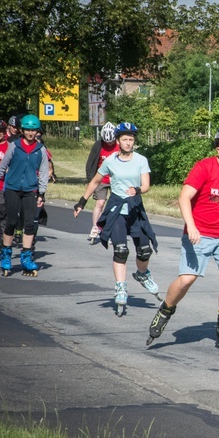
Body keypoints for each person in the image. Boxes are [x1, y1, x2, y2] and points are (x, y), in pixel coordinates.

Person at [146, 126, 219, 352]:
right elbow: (184, 198)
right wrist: (191, 226)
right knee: (187, 280)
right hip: (199, 234)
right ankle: (165, 309)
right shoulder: (204, 167)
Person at [73, 122, 159, 317]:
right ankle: (121, 287)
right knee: (121, 250)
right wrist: (81, 202)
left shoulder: (141, 160)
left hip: (135, 207)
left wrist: (137, 189)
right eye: (125, 139)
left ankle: (143, 274)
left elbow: (146, 185)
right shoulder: (110, 161)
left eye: (131, 139)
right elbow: (95, 182)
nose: (128, 143)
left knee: (144, 250)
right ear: (118, 141)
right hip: (117, 209)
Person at [0, 114, 50, 277]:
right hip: (12, 188)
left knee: (29, 224)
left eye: (33, 130)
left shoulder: (40, 149)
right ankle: (6, 254)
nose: (30, 133)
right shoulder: (14, 146)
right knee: (11, 222)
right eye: (27, 130)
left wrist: (41, 192)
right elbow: (3, 166)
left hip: (31, 190)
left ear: (37, 132)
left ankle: (26, 257)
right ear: (22, 130)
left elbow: (43, 172)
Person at [84, 122, 118, 244]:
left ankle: (110, 229)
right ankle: (95, 226)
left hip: (115, 180)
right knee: (100, 203)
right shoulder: (98, 145)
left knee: (113, 206)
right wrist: (90, 180)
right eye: (107, 142)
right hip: (101, 178)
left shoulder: (120, 145)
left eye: (111, 141)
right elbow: (90, 163)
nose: (109, 144)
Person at [0, 120, 9, 245]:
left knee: (1, 218)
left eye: (1, 131)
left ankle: (0, 246)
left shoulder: (9, 147)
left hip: (2, 187)